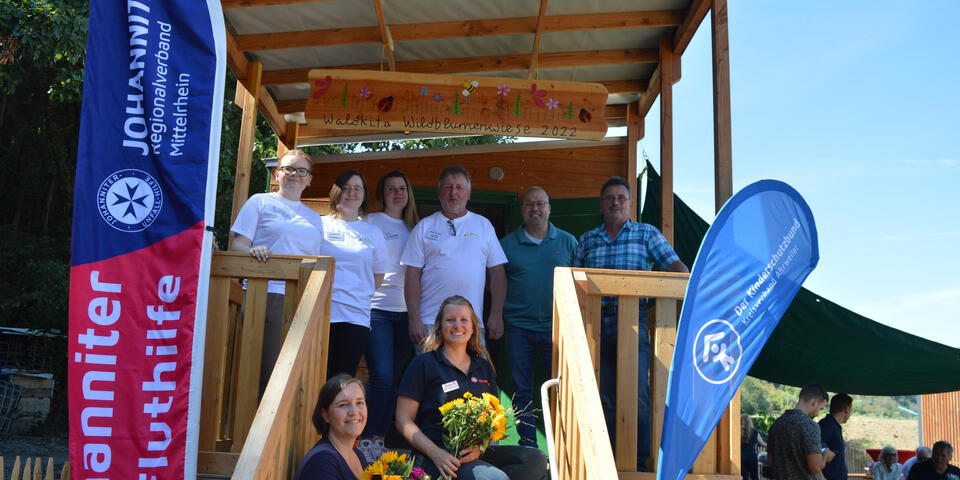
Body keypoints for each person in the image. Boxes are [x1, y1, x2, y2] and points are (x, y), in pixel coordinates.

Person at [572, 175, 688, 470]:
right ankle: (608, 458)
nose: (615, 202)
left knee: (637, 394)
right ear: (601, 204)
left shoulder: (646, 234)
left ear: (630, 204)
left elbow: (675, 266)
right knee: (604, 393)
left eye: (621, 198)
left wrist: (684, 286)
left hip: (633, 323)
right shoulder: (586, 239)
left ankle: (638, 461)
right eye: (609, 198)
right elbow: (573, 284)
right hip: (595, 326)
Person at [396, 296, 547, 480]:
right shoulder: (424, 364)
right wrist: (436, 453)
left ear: (473, 327)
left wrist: (479, 448)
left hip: (475, 455)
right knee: (495, 478)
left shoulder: (483, 367)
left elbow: (493, 419)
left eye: (464, 320)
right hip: (437, 457)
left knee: (535, 459)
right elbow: (403, 420)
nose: (457, 325)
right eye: (450, 320)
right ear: (440, 327)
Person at [229, 149, 326, 391]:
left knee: (297, 374)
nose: (295, 174)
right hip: (266, 296)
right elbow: (238, 244)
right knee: (267, 373)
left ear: (309, 179)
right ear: (277, 174)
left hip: (304, 299)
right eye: (289, 168)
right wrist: (253, 251)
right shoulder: (260, 202)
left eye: (302, 171)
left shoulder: (315, 219)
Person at [499, 186, 577, 448]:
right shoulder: (507, 245)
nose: (535, 209)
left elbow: (580, 286)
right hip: (518, 328)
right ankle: (529, 445)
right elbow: (495, 286)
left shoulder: (568, 242)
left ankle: (562, 443)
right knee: (522, 390)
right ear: (522, 209)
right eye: (529, 204)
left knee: (561, 388)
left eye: (540, 204)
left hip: (557, 328)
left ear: (549, 208)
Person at [401, 166, 507, 345]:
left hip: (471, 324)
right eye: (448, 187)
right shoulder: (424, 227)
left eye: (459, 188)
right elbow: (411, 275)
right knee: (433, 374)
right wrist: (414, 319)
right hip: (431, 323)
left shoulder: (483, 225)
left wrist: (496, 314)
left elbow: (498, 273)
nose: (453, 193)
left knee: (473, 373)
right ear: (439, 192)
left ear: (468, 194)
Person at [360, 171, 420, 460]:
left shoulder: (416, 228)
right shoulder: (369, 222)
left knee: (395, 378)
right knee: (381, 375)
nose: (397, 193)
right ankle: (363, 438)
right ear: (381, 194)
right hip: (377, 309)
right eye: (391, 189)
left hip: (408, 312)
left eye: (402, 188)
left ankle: (379, 440)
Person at [319, 170, 390, 379]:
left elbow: (378, 275)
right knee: (319, 377)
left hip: (356, 316)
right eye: (347, 188)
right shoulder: (321, 224)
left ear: (364, 194)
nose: (352, 193)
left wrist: (357, 293)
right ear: (337, 192)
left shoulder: (373, 233)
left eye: (357, 188)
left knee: (342, 379)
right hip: (324, 313)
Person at [293, 374, 369, 480]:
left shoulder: (359, 455)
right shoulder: (321, 462)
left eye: (359, 402)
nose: (354, 412)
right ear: (326, 415)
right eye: (343, 404)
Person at [767, 383, 836, 480]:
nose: (817, 414)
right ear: (814, 402)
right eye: (820, 409)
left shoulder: (776, 424)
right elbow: (815, 468)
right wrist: (825, 456)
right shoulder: (810, 426)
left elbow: (770, 461)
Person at [819, 393, 853, 480]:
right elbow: (815, 442)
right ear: (846, 409)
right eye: (851, 410)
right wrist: (824, 449)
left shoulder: (834, 425)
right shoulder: (827, 424)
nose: (850, 414)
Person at [741, 414, 768, 480]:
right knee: (754, 476)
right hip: (752, 457)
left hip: (741, 457)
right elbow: (762, 443)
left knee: (744, 477)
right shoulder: (755, 432)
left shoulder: (737, 432)